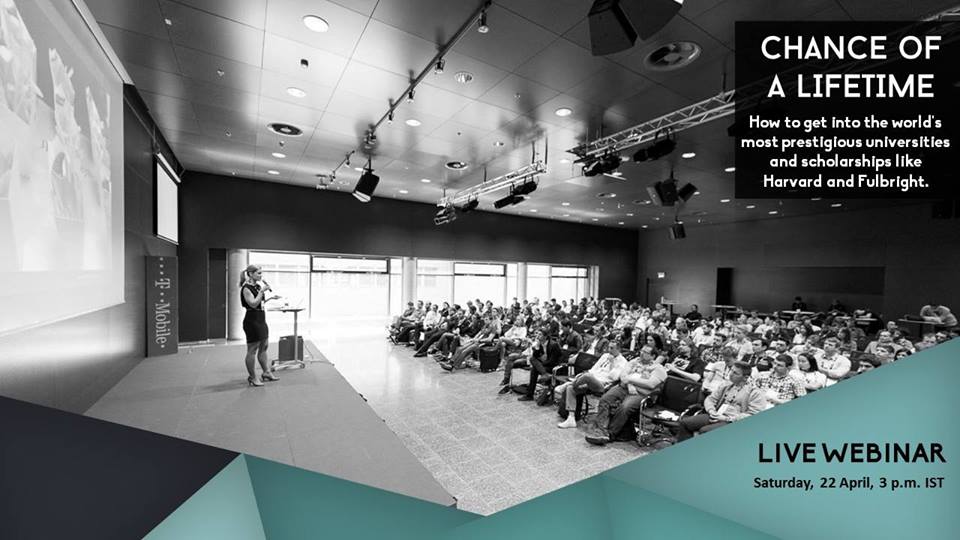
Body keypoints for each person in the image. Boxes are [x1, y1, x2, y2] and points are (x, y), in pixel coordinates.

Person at [585, 346, 667, 446]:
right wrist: (630, 385)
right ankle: (600, 430)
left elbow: (651, 384)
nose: (641, 353)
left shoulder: (658, 368)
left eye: (646, 352)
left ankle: (610, 434)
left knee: (625, 407)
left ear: (653, 356)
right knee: (605, 399)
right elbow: (622, 376)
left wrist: (630, 380)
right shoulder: (634, 361)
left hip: (641, 394)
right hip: (625, 388)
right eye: (641, 351)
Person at [675, 361, 765, 441]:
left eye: (735, 373)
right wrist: (711, 410)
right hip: (716, 414)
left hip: (733, 421)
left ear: (745, 377)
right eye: (731, 371)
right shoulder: (726, 384)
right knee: (685, 423)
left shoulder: (755, 392)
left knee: (704, 431)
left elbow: (753, 415)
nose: (731, 374)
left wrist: (727, 418)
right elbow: (710, 399)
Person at [556, 342, 627, 428]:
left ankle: (569, 382)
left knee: (586, 376)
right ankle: (571, 418)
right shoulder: (605, 356)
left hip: (603, 384)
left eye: (612, 348)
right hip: (591, 380)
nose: (609, 350)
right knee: (571, 388)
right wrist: (584, 376)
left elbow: (614, 377)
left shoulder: (623, 362)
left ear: (618, 349)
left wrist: (612, 364)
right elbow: (593, 369)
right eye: (608, 347)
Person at [240, 264, 280, 386]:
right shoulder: (246, 288)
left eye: (261, 273)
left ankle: (266, 372)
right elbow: (252, 304)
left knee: (264, 346)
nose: (261, 275)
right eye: (259, 273)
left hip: (261, 319)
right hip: (252, 320)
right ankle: (253, 377)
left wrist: (270, 298)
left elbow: (259, 302)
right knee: (252, 349)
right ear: (251, 274)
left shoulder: (257, 286)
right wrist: (262, 291)